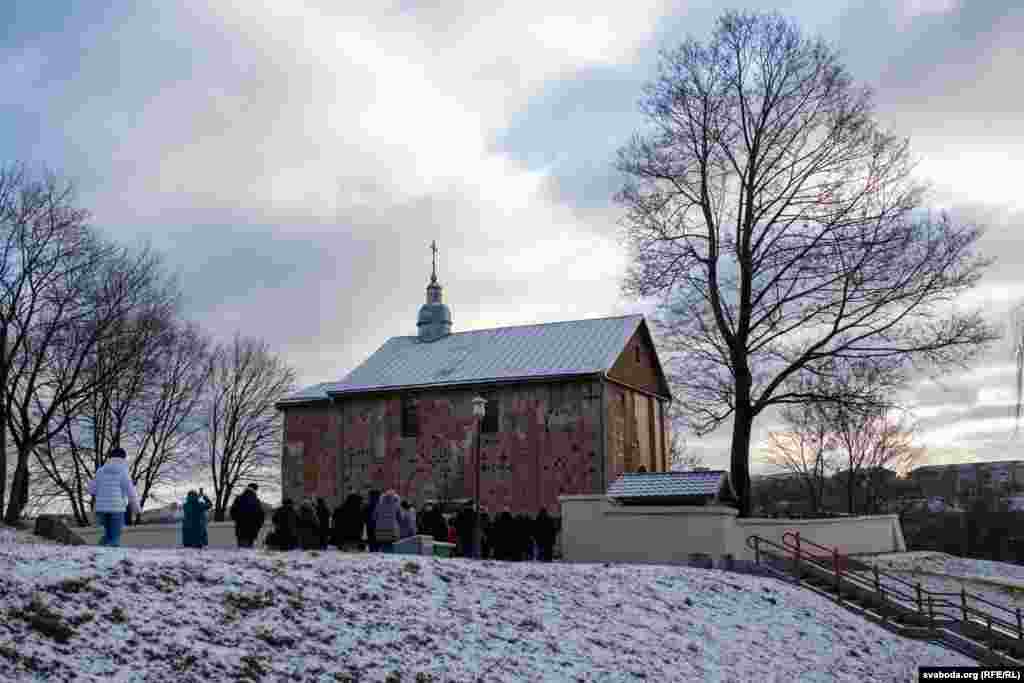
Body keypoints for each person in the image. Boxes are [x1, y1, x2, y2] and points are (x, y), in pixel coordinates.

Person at [87, 447, 140, 548]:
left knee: (108, 535)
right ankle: (112, 558)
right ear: (124, 458)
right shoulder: (123, 471)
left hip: (102, 509)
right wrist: (136, 507)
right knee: (115, 537)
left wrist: (101, 492)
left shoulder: (100, 471)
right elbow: (130, 490)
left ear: (110, 457)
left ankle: (99, 553)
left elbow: (91, 490)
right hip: (117, 508)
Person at [229, 483, 265, 549]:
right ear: (255, 490)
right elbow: (261, 515)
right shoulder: (256, 500)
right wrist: (258, 525)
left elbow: (232, 512)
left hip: (240, 527)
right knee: (249, 548)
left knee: (242, 548)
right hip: (252, 528)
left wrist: (238, 520)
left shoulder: (239, 498)